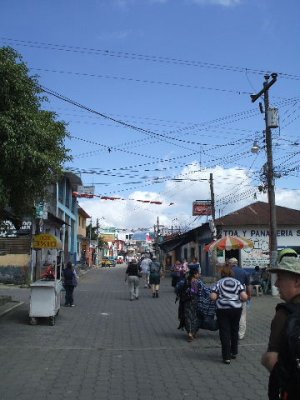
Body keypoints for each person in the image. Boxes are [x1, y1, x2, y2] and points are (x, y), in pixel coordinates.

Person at [261, 257, 300, 400]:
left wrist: (264, 359)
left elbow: (272, 359)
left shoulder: (284, 314)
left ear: (297, 281)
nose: (276, 284)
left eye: (281, 278)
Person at [210, 263, 248, 364]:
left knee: (224, 331)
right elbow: (244, 297)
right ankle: (234, 352)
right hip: (236, 309)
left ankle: (226, 357)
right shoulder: (237, 282)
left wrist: (218, 297)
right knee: (234, 330)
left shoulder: (219, 283)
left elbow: (213, 297)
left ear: (221, 273)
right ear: (232, 273)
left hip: (222, 310)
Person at [176, 265, 201, 342]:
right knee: (194, 316)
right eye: (198, 273)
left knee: (187, 316)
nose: (199, 275)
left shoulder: (186, 280)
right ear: (194, 274)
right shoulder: (195, 282)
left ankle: (190, 332)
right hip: (193, 301)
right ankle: (192, 332)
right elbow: (195, 292)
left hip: (185, 301)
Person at [228, 257, 251, 339]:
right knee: (242, 315)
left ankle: (231, 333)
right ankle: (240, 335)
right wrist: (249, 296)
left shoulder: (228, 272)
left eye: (228, 264)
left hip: (229, 297)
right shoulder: (245, 272)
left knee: (230, 315)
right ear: (237, 263)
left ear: (230, 264)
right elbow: (248, 287)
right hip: (241, 297)